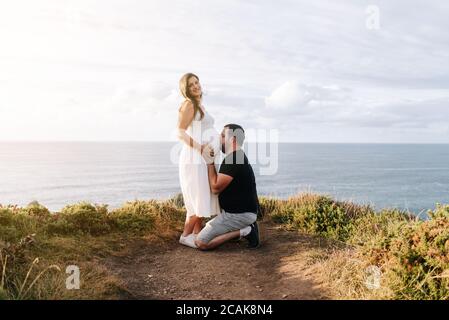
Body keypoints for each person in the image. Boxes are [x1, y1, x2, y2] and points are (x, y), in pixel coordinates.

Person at [195, 124, 260, 250]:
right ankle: (243, 227)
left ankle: (247, 230)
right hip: (240, 212)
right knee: (213, 230)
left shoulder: (234, 159)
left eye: (223, 136)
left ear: (233, 139)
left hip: (238, 215)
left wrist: (209, 162)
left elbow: (215, 188)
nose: (220, 138)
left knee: (201, 242)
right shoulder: (237, 157)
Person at [177, 73, 221, 248]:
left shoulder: (199, 105)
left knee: (203, 195)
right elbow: (180, 132)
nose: (196, 86)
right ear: (186, 90)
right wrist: (201, 148)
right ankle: (185, 235)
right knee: (197, 198)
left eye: (197, 82)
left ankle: (196, 233)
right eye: (191, 85)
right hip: (194, 157)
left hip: (203, 158)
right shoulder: (188, 105)